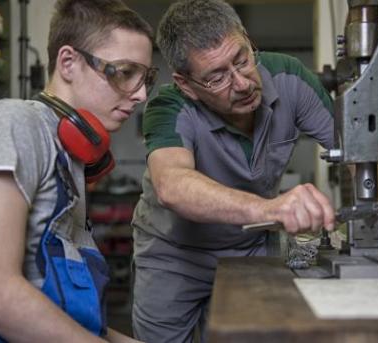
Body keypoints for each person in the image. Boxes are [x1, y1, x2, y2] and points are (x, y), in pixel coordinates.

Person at [0, 0, 157, 341]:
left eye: (146, 77)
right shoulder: (15, 124)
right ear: (69, 63)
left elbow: (68, 321)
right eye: (125, 72)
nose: (141, 94)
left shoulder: (70, 157)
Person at [131, 0, 336, 341]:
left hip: (250, 249)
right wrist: (272, 208)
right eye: (216, 77)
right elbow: (173, 185)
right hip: (173, 256)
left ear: (246, 38)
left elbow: (356, 145)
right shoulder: (169, 105)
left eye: (241, 60)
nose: (241, 84)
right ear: (185, 84)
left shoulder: (288, 77)